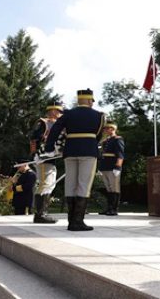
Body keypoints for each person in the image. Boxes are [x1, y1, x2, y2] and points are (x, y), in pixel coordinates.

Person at [45, 89, 105, 231]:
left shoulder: (68, 114)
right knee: (83, 185)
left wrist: (49, 147)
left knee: (70, 183)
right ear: (90, 101)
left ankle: (71, 220)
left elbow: (55, 130)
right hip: (89, 150)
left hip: (70, 150)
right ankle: (77, 222)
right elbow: (98, 135)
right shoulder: (99, 115)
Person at [29, 101, 64, 224]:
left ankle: (43, 213)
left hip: (50, 158)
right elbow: (34, 139)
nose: (61, 114)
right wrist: (35, 155)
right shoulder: (44, 123)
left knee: (49, 184)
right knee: (45, 184)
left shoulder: (58, 125)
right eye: (59, 112)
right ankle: (40, 214)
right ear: (53, 111)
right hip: (43, 158)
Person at [98, 121, 125, 216]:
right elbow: (102, 155)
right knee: (108, 189)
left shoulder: (118, 139)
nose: (105, 130)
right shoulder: (106, 141)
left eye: (107, 128)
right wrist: (100, 168)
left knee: (114, 188)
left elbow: (120, 155)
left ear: (112, 129)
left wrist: (118, 167)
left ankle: (114, 209)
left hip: (113, 167)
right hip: (105, 167)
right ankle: (109, 208)